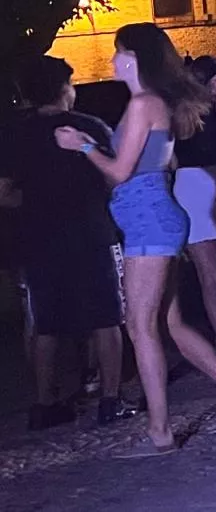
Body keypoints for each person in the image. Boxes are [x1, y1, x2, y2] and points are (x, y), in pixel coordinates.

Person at [54, 25, 216, 456]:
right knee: (168, 322)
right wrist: (93, 144)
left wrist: (82, 147)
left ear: (136, 58)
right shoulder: (147, 104)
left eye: (118, 53)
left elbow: (121, 171)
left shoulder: (144, 103)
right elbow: (146, 160)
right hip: (152, 216)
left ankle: (161, 432)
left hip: (148, 221)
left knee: (140, 327)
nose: (112, 61)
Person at [0, 55, 132, 430]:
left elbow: (3, 192)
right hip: (92, 232)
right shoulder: (89, 127)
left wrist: (35, 203)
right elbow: (114, 176)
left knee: (47, 324)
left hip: (40, 237)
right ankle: (111, 399)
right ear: (65, 89)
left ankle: (44, 404)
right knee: (107, 318)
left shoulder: (13, 134)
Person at [173, 56, 216, 380]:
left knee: (209, 277)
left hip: (188, 187)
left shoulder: (177, 111)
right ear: (215, 79)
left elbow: (170, 161)